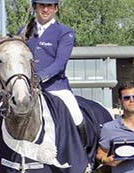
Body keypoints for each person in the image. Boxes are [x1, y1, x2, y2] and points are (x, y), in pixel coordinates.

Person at [21, 0, 87, 145]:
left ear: (55, 8)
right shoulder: (23, 32)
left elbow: (60, 63)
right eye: (41, 6)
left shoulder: (65, 32)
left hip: (55, 87)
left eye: (49, 6)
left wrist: (40, 77)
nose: (45, 9)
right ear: (35, 7)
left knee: (76, 115)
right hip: (26, 87)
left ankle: (84, 152)